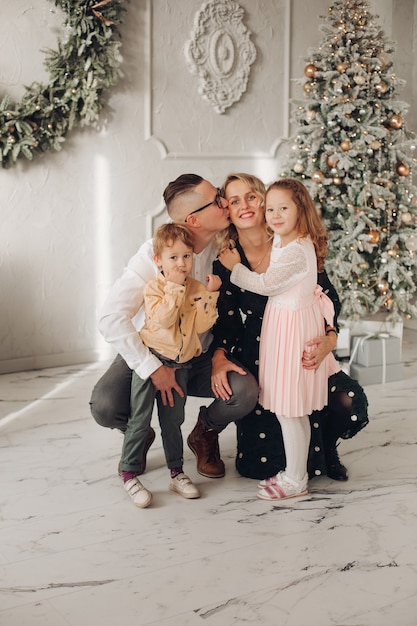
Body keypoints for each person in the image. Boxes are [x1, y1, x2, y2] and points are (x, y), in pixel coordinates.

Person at [89, 174, 259, 505]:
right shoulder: (151, 257)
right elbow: (110, 318)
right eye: (219, 199)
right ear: (192, 219)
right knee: (105, 406)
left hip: (200, 353)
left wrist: (221, 353)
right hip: (154, 350)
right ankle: (139, 433)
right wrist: (152, 368)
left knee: (245, 391)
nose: (227, 203)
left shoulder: (229, 246)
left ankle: (204, 432)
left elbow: (231, 311)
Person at [211, 173, 368, 487]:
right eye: (235, 200)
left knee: (349, 402)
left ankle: (322, 451)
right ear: (227, 210)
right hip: (261, 349)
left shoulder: (292, 240)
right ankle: (295, 468)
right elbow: (226, 321)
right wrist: (218, 357)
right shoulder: (227, 260)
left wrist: (329, 339)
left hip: (305, 340)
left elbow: (327, 296)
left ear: (265, 198)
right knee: (259, 464)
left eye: (252, 197)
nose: (246, 206)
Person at [120, 223, 222, 507]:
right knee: (140, 420)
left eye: (186, 256)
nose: (181, 263)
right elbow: (162, 320)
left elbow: (203, 324)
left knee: (173, 421)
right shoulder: (154, 289)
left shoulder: (197, 288)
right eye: (173, 257)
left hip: (181, 366)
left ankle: (176, 472)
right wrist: (175, 287)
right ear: (159, 261)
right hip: (152, 361)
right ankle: (128, 473)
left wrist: (210, 296)